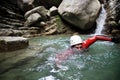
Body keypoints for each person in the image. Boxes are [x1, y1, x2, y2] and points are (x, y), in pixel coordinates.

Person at [55, 34, 119, 66]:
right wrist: (58, 64)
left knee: (87, 55)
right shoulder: (70, 51)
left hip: (85, 50)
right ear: (72, 47)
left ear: (82, 43)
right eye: (77, 48)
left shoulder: (85, 44)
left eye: (80, 47)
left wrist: (111, 39)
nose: (79, 49)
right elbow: (60, 57)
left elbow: (96, 37)